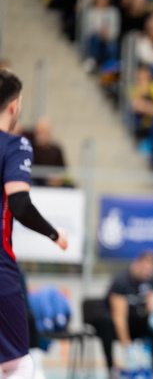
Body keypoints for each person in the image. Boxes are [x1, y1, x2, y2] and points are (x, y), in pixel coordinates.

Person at [0, 70, 68, 378]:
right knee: (19, 364)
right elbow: (19, 204)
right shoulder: (14, 146)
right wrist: (54, 234)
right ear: (14, 106)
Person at [93, 250, 153, 376]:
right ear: (136, 264)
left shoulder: (149, 279)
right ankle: (111, 369)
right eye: (145, 268)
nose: (147, 273)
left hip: (134, 318)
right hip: (113, 320)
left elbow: (150, 309)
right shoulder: (122, 280)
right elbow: (119, 316)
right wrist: (128, 348)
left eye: (150, 270)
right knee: (105, 323)